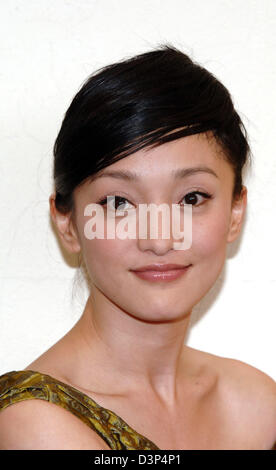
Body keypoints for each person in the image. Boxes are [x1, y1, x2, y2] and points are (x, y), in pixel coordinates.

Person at [0, 44, 275, 450]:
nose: (160, 239)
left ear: (235, 214)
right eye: (118, 203)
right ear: (68, 223)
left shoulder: (256, 402)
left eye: (192, 198)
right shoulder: (36, 426)